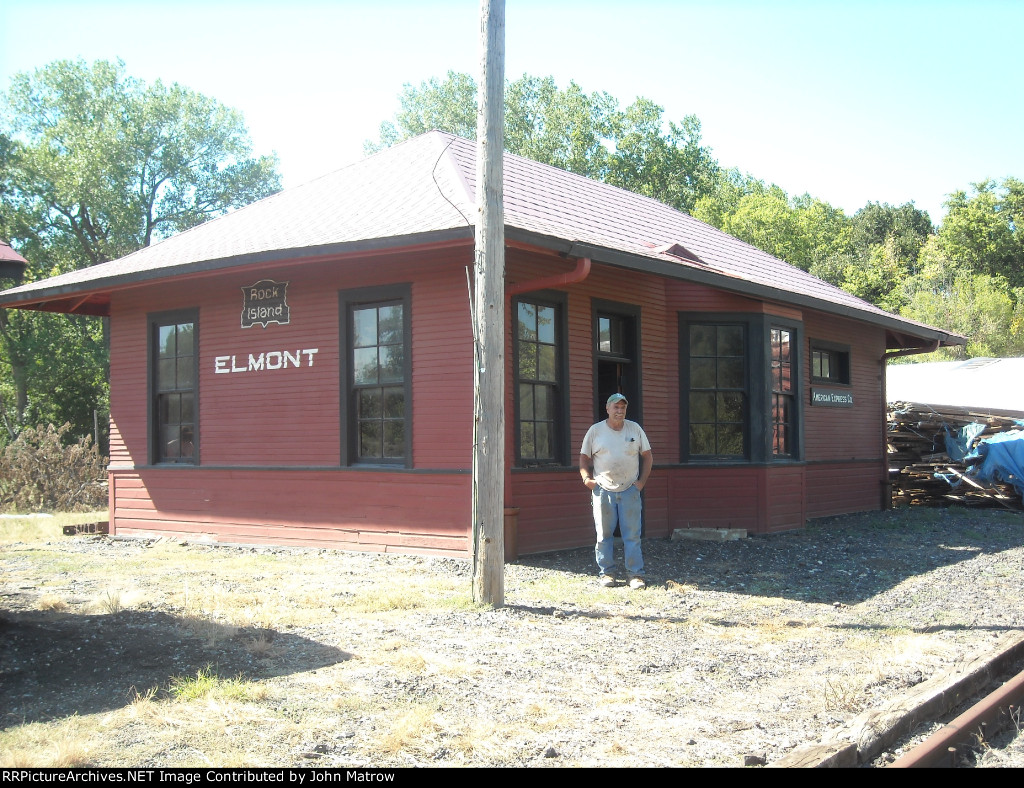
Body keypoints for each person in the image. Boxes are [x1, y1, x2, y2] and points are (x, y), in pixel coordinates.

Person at [579, 393, 653, 589]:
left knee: (632, 535)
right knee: (603, 535)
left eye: (623, 408)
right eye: (616, 407)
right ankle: (606, 573)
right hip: (603, 490)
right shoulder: (596, 431)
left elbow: (647, 456)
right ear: (608, 409)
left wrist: (641, 482)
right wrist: (587, 479)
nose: (619, 411)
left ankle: (635, 575)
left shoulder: (635, 429)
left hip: (630, 489)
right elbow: (584, 458)